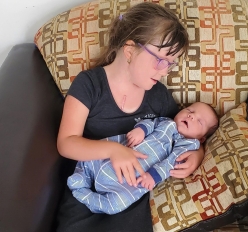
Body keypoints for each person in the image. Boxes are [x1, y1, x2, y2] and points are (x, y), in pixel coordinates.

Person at [56, 2, 207, 232]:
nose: (166, 71)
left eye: (171, 64)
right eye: (161, 60)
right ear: (129, 50)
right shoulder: (89, 85)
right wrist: (113, 150)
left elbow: (178, 132)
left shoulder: (158, 96)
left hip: (130, 191)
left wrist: (197, 153)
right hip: (87, 184)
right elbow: (66, 143)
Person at [67, 102, 219, 214]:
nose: (191, 116)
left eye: (199, 121)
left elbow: (170, 163)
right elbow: (150, 123)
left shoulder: (187, 146)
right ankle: (81, 177)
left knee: (116, 205)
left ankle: (85, 195)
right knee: (91, 154)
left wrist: (153, 177)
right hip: (119, 152)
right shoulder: (167, 123)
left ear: (201, 139)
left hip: (132, 179)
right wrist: (140, 130)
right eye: (189, 110)